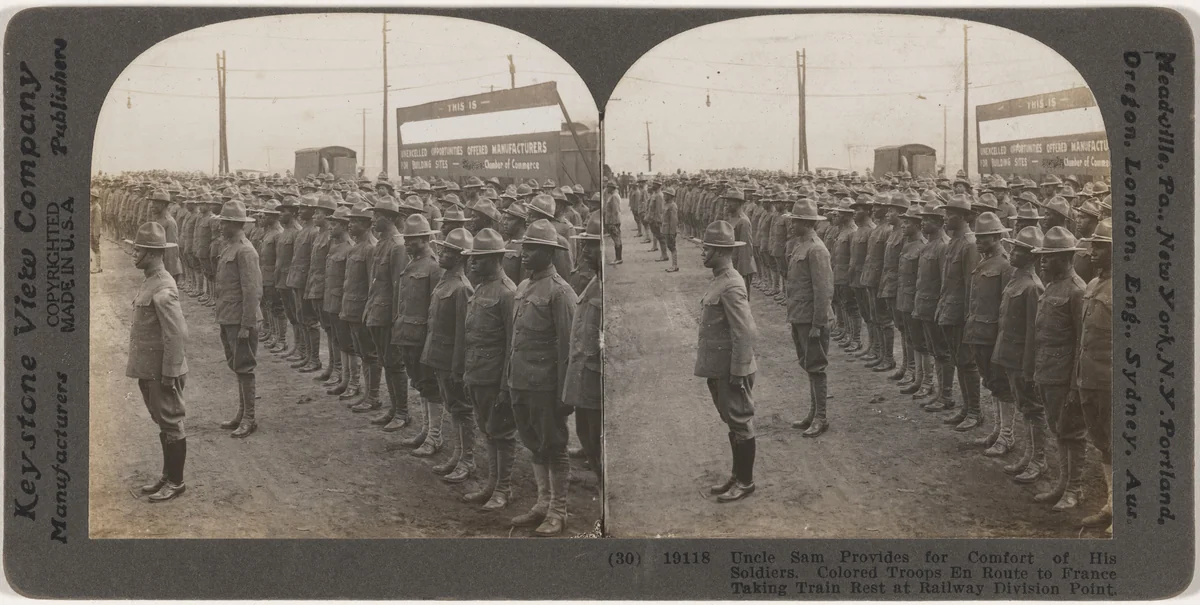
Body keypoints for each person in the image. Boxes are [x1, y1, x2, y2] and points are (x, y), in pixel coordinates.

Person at [507, 218, 577, 536]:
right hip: (521, 382)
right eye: (524, 246)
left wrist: (566, 395)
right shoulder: (523, 288)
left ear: (549, 254)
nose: (525, 253)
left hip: (546, 385)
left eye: (533, 249)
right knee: (534, 443)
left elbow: (568, 348)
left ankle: (558, 510)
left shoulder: (561, 293)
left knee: (555, 445)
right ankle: (542, 502)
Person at [125, 221, 190, 501]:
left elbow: (176, 334)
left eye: (138, 250)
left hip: (161, 371)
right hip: (149, 369)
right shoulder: (151, 279)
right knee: (163, 422)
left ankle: (176, 482)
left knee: (171, 422)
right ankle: (167, 476)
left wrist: (169, 372)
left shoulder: (163, 286)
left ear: (151, 253)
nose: (134, 253)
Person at [696, 220, 759, 503]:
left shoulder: (732, 284)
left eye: (707, 248)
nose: (703, 252)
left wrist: (738, 372)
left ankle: (746, 482)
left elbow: (744, 332)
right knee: (733, 423)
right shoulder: (720, 279)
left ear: (721, 252)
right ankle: (736, 476)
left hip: (731, 369)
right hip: (719, 368)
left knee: (741, 422)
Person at [459, 228, 519, 510]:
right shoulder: (481, 286)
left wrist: (506, 387)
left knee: (502, 433)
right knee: (488, 430)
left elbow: (512, 343)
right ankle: (491, 484)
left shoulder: (508, 293)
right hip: (478, 373)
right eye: (472, 258)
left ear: (496, 258)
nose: (472, 263)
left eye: (478, 258)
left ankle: (503, 489)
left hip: (495, 378)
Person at [1030, 226, 1088, 511]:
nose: (1042, 261)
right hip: (1048, 371)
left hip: (1065, 376)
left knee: (1073, 433)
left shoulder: (1078, 291)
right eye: (1042, 256)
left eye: (1048, 256)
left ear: (1066, 258)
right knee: (1058, 429)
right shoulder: (1052, 284)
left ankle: (1075, 489)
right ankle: (1063, 484)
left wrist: (1075, 386)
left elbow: (1082, 343)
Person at [994, 226, 1048, 483]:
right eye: (1013, 248)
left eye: (1019, 250)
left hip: (1021, 360)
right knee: (1025, 407)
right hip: (1010, 355)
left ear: (1033, 256)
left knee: (1033, 409)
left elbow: (1032, 332)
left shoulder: (1032, 286)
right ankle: (1028, 455)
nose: (1012, 252)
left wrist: (1029, 368)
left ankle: (1038, 459)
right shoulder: (1017, 279)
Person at [964, 212, 1016, 453]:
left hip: (994, 336)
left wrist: (1001, 340)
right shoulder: (983, 262)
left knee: (1002, 386)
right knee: (992, 384)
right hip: (979, 333)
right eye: (978, 236)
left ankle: (1007, 436)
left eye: (984, 237)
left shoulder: (1005, 266)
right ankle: (997, 430)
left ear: (997, 237)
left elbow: (1006, 309)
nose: (979, 241)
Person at [782, 199, 834, 438]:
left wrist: (817, 324)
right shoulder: (800, 245)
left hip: (812, 320)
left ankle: (821, 417)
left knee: (816, 367)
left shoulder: (816, 249)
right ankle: (813, 413)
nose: (791, 224)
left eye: (795, 220)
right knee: (809, 365)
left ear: (806, 222)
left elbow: (823, 291)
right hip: (799, 315)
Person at [393, 213, 445, 445]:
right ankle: (425, 430)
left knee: (431, 387)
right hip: (408, 335)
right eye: (406, 238)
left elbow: (435, 310)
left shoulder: (434, 267)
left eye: (413, 239)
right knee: (421, 385)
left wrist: (430, 343)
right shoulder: (412, 262)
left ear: (425, 239)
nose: (408, 243)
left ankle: (435, 436)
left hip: (423, 337)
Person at [213, 200, 263, 438]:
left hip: (240, 320)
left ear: (235, 224)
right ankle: (241, 413)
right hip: (228, 316)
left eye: (225, 222)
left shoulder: (245, 251)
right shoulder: (229, 247)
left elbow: (252, 291)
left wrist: (246, 324)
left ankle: (250, 418)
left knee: (245, 367)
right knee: (237, 366)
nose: (221, 225)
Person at [1078, 218, 1113, 534]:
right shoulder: (1092, 285)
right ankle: (1112, 506)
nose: (1092, 253)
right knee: (1103, 444)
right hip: (1090, 379)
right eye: (1092, 246)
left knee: (1120, 445)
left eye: (1100, 248)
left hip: (1112, 383)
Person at [936, 194, 982, 431]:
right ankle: (966, 408)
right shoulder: (954, 241)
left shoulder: (970, 244)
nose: (945, 218)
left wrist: (968, 318)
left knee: (967, 362)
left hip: (960, 315)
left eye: (950, 214)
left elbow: (970, 286)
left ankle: (974, 410)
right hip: (949, 311)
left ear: (964, 217)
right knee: (958, 361)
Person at [566, 215, 604, 484]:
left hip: (596, 377)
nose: (586, 250)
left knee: (595, 434)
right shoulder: (595, 281)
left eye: (592, 245)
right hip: (584, 373)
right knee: (584, 430)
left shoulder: (604, 286)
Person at [603, 180, 623, 265]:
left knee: (617, 240)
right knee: (617, 239)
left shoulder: (614, 196)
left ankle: (618, 258)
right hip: (613, 221)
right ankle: (618, 258)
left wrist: (612, 223)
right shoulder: (614, 195)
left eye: (608, 187)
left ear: (611, 188)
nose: (607, 188)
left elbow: (615, 211)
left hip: (613, 222)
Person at [660, 187, 680, 272]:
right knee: (670, 246)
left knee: (672, 247)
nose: (664, 196)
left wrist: (672, 233)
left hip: (670, 231)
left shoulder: (673, 206)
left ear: (671, 196)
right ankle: (674, 265)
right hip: (665, 229)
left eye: (666, 194)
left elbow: (674, 220)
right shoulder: (666, 204)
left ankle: (674, 265)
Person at [91, 189, 104, 273]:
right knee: (93, 247)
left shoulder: (97, 207)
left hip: (94, 231)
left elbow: (97, 222)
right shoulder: (93, 205)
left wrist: (96, 235)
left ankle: (98, 267)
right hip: (91, 230)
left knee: (96, 248)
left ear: (94, 197)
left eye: (91, 196)